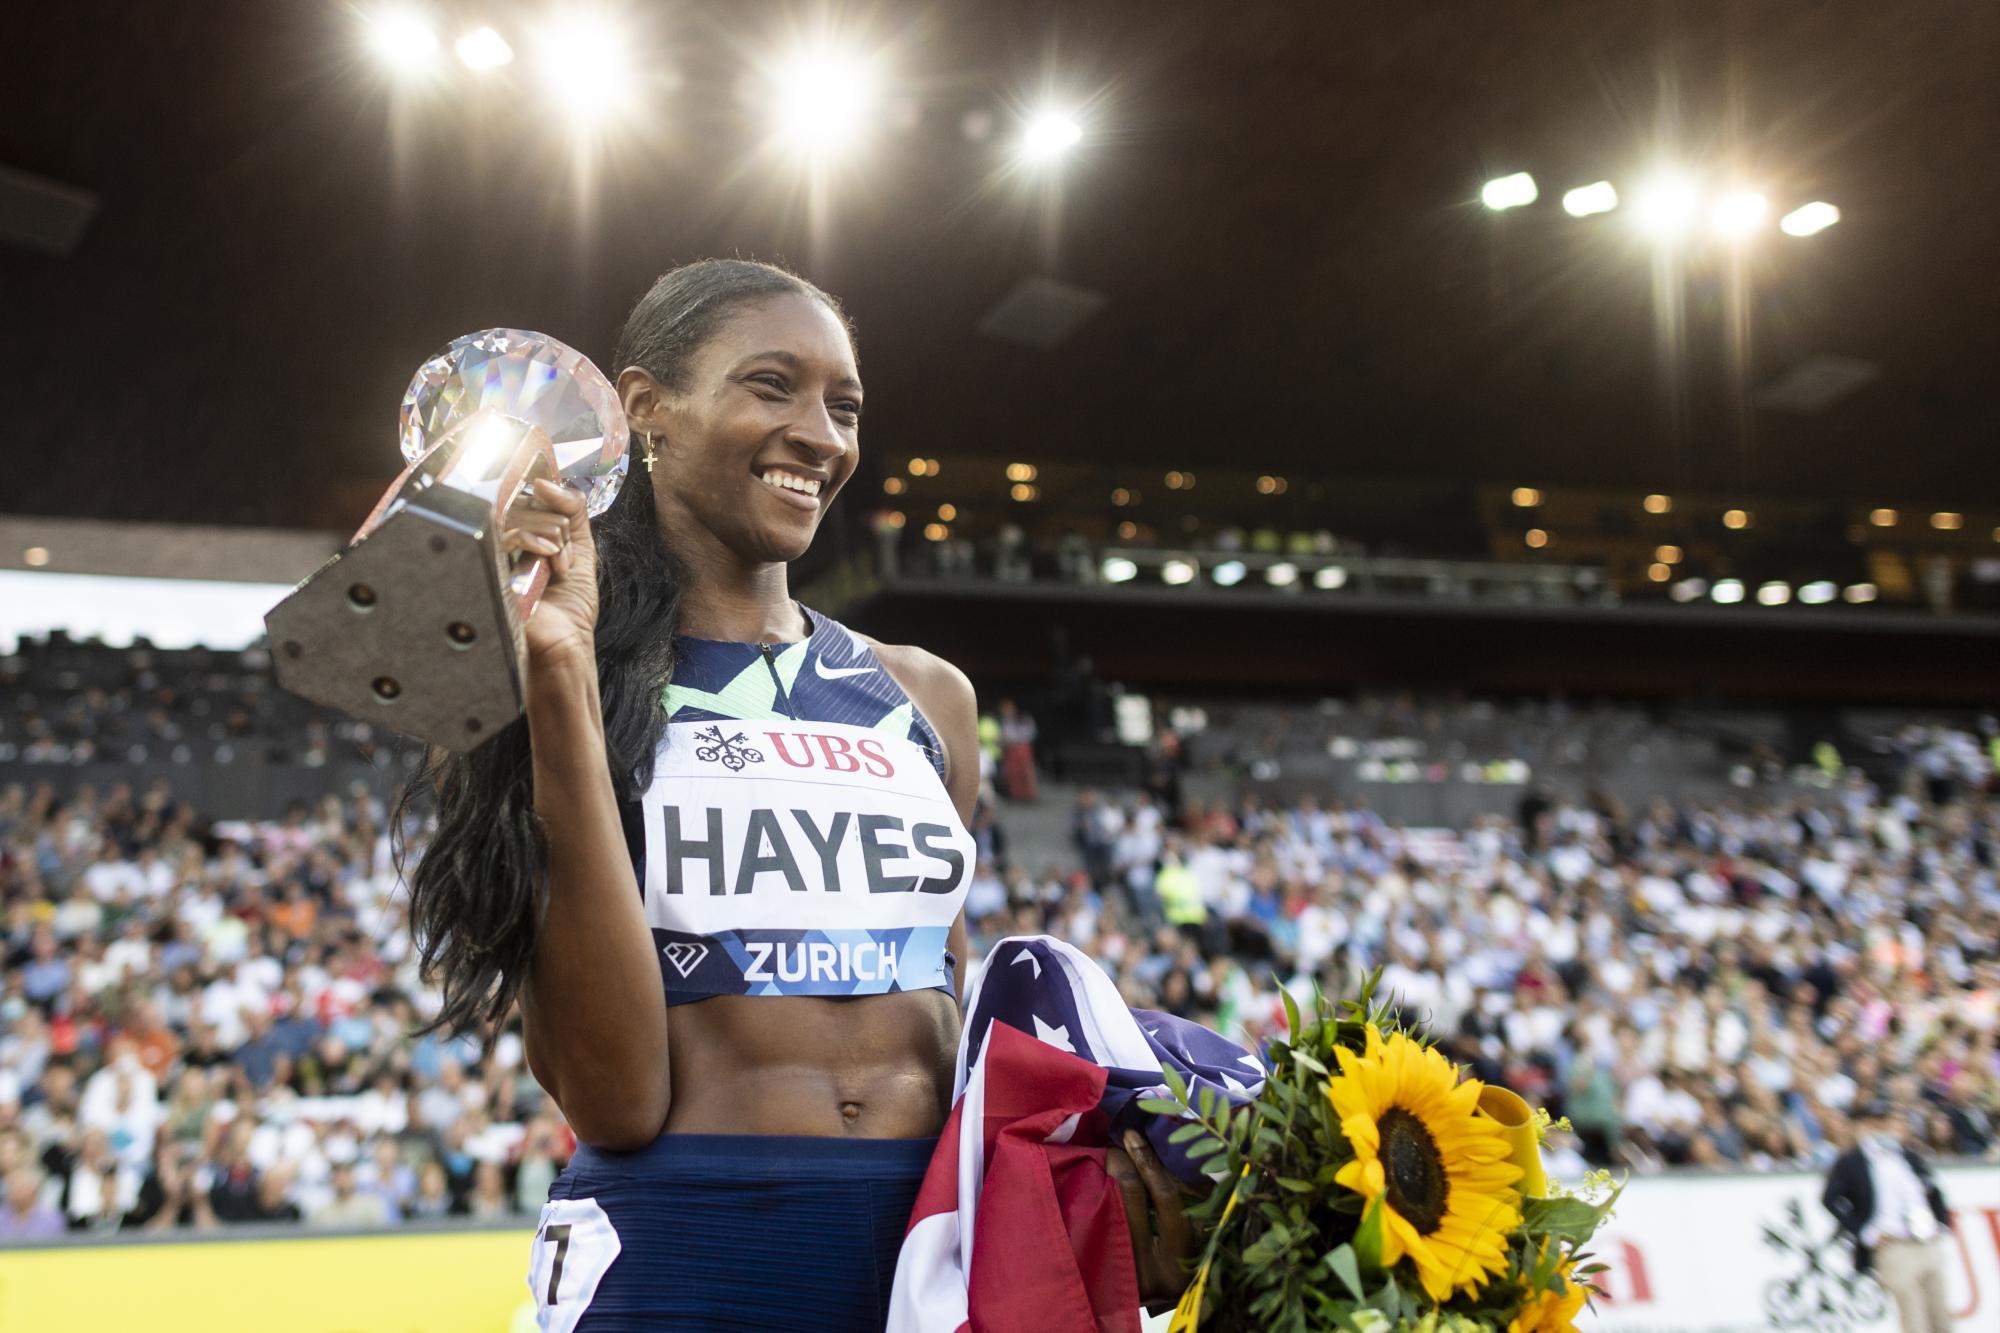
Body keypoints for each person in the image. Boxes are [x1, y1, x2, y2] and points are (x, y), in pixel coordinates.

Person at [399, 259, 1190, 1330]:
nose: (820, 434)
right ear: (644, 410)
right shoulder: (535, 673)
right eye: (771, 385)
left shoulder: (927, 696)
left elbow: (940, 1010)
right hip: (683, 1245)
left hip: (932, 1249)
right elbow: (614, 1100)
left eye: (844, 404)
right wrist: (553, 683)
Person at [1822, 1102, 1954, 1333]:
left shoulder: (1907, 1155)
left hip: (1925, 1240)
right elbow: (1831, 1199)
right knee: (1913, 1316)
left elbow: (1933, 1190)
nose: (1882, 1128)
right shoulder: (1853, 1161)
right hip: (1892, 1244)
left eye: (1885, 1122)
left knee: (1940, 1314)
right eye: (1875, 1123)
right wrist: (1865, 1232)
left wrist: (1941, 1223)